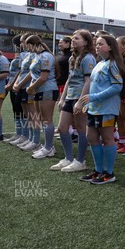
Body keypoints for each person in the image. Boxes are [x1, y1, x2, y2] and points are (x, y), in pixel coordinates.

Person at [77, 35, 125, 184]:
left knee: (107, 139)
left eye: (100, 44)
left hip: (106, 108)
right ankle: (98, 170)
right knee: (91, 137)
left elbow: (117, 86)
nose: (97, 46)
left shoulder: (113, 64)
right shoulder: (100, 63)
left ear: (110, 47)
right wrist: (88, 101)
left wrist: (95, 97)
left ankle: (109, 173)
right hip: (94, 108)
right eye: (96, 44)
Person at [51, 30, 96, 172]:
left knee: (82, 129)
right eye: (72, 39)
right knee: (62, 128)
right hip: (70, 97)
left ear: (86, 42)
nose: (73, 41)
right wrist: (62, 98)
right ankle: (68, 158)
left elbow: (88, 81)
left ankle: (80, 161)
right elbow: (69, 80)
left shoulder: (89, 58)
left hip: (80, 98)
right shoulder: (72, 58)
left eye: (77, 38)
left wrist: (80, 101)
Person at [25, 35, 59, 158]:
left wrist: (31, 87)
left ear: (32, 44)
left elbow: (43, 77)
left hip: (47, 89)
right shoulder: (37, 56)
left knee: (46, 119)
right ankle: (47, 146)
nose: (26, 48)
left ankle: (49, 147)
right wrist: (32, 87)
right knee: (41, 119)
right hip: (39, 90)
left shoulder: (46, 56)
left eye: (28, 45)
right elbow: (34, 75)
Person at [10, 34, 38, 150]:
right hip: (22, 87)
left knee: (32, 115)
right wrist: (16, 83)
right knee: (26, 114)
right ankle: (27, 137)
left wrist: (20, 84)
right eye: (21, 42)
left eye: (23, 42)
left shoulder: (36, 55)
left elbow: (31, 73)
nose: (21, 44)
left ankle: (35, 140)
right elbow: (21, 71)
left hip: (29, 87)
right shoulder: (28, 55)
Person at [3, 35, 24, 143]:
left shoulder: (24, 56)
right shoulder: (18, 55)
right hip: (13, 86)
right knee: (16, 110)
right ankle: (18, 133)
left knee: (22, 111)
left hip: (19, 86)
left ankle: (25, 136)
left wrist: (12, 84)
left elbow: (21, 72)